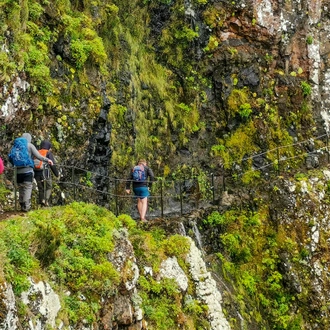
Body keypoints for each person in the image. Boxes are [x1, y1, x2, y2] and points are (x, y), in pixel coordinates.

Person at [9, 133, 53, 212]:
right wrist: (48, 160)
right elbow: (39, 156)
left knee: (21, 187)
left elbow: (10, 157)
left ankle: (21, 204)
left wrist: (15, 166)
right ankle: (26, 207)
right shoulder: (29, 145)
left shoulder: (16, 146)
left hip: (18, 172)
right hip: (28, 170)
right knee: (27, 187)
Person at [34, 140, 59, 207]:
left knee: (40, 188)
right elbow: (52, 165)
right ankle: (45, 200)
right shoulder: (48, 153)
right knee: (49, 186)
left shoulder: (37, 152)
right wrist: (56, 174)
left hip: (36, 172)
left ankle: (41, 202)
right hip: (45, 172)